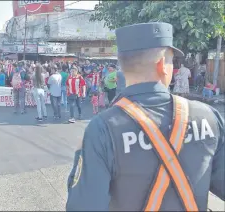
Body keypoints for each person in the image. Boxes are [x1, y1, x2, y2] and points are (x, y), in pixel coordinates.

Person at [66, 22, 225, 211]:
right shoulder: (208, 116)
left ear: (122, 68)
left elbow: (84, 206)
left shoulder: (102, 128)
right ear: (161, 65)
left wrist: (80, 151)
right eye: (171, 61)